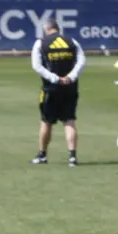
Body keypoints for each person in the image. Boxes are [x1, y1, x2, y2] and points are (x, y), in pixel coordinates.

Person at [30, 19, 86, 167]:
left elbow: (37, 66)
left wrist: (55, 78)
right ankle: (72, 157)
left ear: (46, 29)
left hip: (51, 88)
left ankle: (42, 155)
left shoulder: (41, 43)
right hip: (70, 87)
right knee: (69, 120)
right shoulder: (72, 41)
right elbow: (82, 61)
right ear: (58, 28)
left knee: (46, 122)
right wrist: (71, 77)